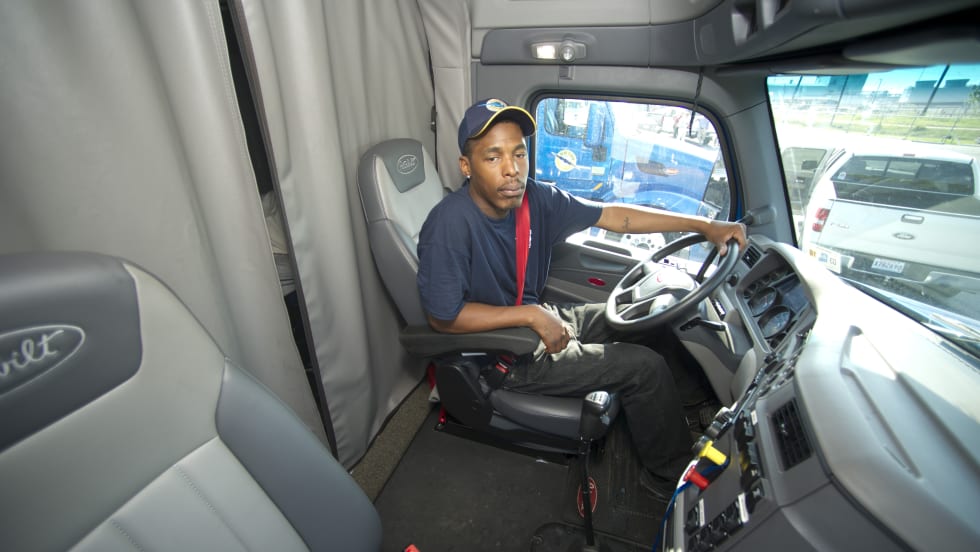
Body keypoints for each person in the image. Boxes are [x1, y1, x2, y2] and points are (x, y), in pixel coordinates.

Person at [416, 98, 747, 499]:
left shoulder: (535, 199)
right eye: (493, 157)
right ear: (466, 166)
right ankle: (670, 479)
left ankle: (690, 416)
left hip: (535, 320)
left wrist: (704, 225)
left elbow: (614, 216)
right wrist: (531, 317)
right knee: (643, 367)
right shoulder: (449, 224)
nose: (512, 168)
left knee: (646, 320)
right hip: (504, 355)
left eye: (519, 153)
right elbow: (442, 318)